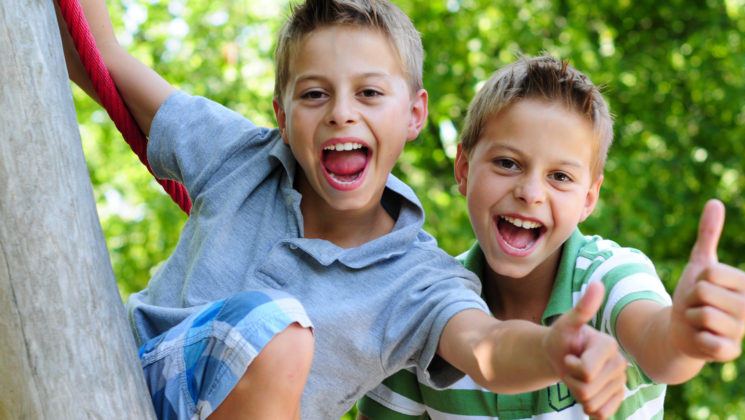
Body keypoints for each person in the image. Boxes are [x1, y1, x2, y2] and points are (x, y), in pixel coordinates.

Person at [56, 1, 633, 419]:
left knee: (281, 334)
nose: (341, 114)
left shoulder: (419, 281)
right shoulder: (242, 155)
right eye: (314, 94)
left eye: (370, 93)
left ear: (414, 114)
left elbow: (488, 350)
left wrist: (553, 350)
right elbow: (99, 58)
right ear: (282, 115)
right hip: (125, 379)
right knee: (279, 329)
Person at [357, 56, 745, 419]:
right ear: (463, 168)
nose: (531, 192)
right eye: (507, 163)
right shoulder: (421, 304)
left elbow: (661, 348)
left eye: (560, 177)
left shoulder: (613, 277)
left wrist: (684, 338)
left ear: (588, 199)